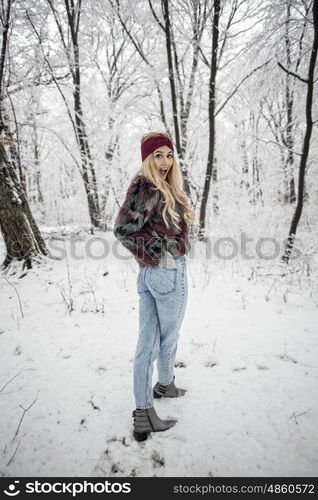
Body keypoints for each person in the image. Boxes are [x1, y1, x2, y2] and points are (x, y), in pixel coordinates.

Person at [114, 132, 195, 441]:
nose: (164, 161)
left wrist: (152, 258)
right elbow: (123, 230)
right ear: (147, 158)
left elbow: (133, 230)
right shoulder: (149, 188)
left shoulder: (158, 187)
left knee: (148, 342)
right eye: (157, 155)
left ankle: (159, 391)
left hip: (152, 274)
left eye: (168, 155)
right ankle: (154, 399)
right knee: (166, 338)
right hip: (165, 270)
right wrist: (159, 254)